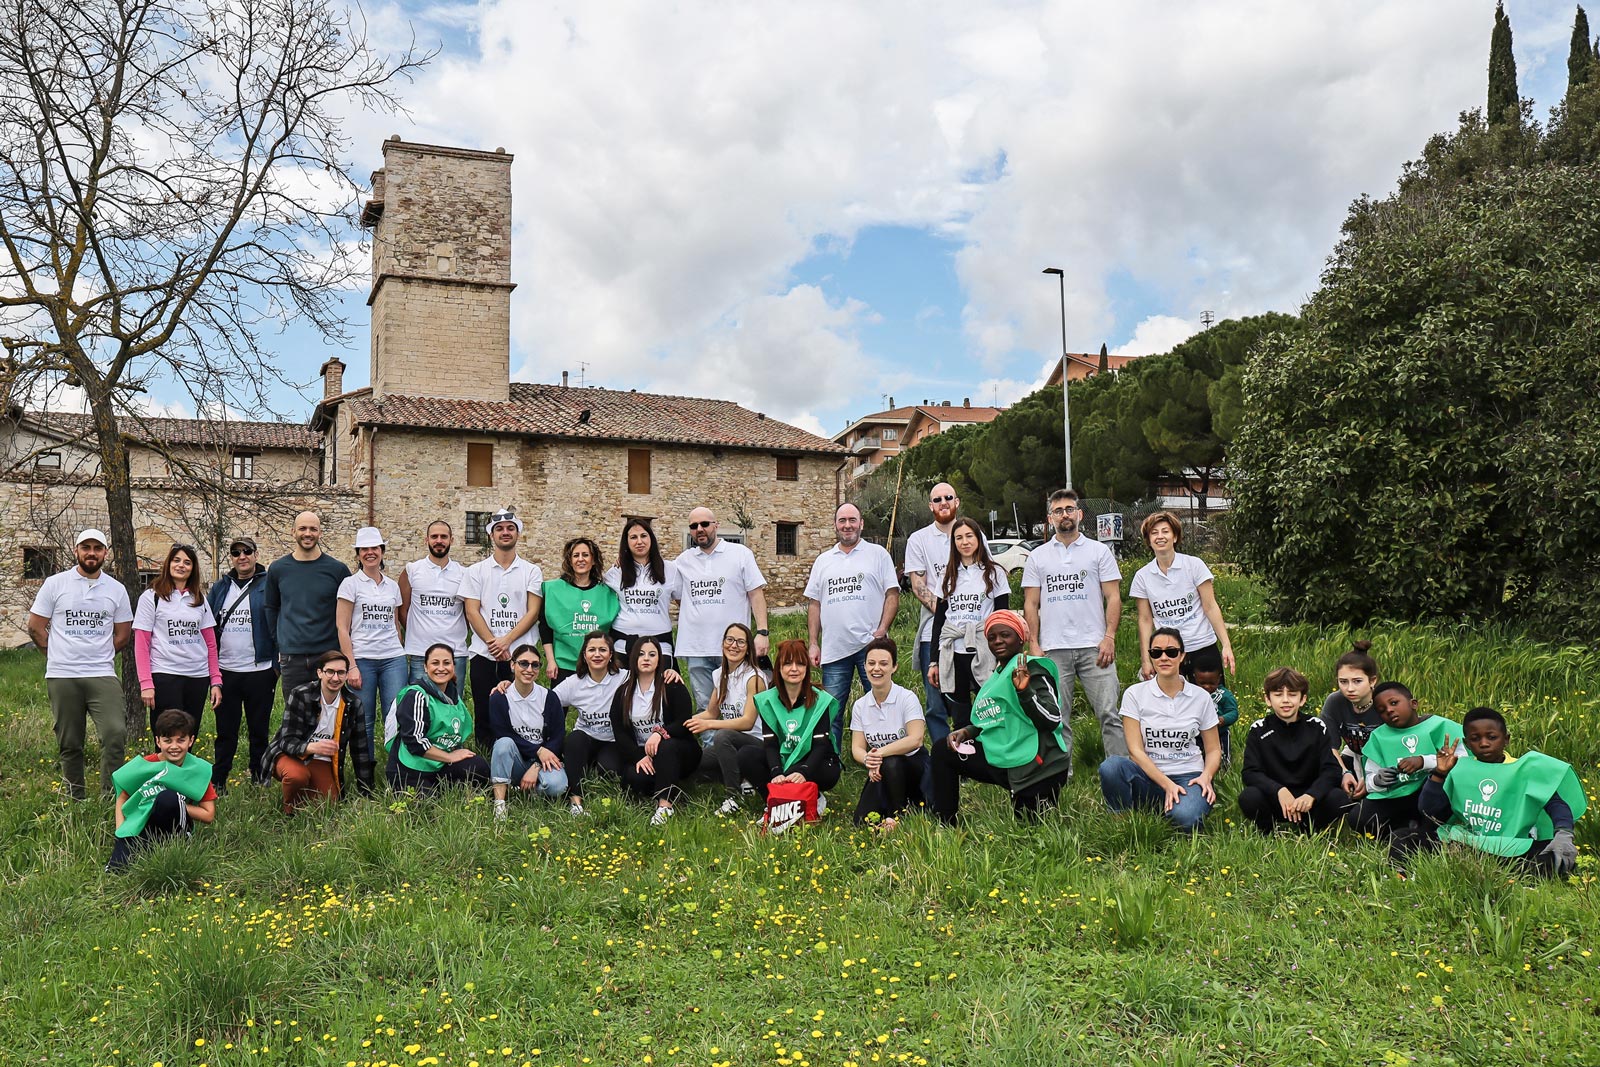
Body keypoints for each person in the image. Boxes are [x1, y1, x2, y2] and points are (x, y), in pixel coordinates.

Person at [1398, 707, 1585, 877]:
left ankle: (1489, 871)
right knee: (1403, 837)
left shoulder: (1525, 769)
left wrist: (1564, 834)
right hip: (1464, 843)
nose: (1484, 743)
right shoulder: (1459, 768)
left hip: (1510, 846)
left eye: (1492, 737)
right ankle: (1406, 874)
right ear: (1467, 743)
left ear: (1506, 739)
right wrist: (1439, 774)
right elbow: (1429, 812)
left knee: (1555, 858)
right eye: (1475, 738)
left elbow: (1556, 804)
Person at [930, 611, 1071, 824]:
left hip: (1037, 766)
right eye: (992, 637)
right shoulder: (996, 676)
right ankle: (945, 824)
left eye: (1005, 635)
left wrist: (1025, 692)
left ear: (1021, 637)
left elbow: (1051, 719)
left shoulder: (1031, 669)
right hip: (1004, 756)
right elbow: (993, 716)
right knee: (943, 750)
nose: (998, 641)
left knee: (1031, 833)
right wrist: (968, 731)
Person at [28, 529, 134, 799]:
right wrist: (55, 655)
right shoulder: (55, 583)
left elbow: (123, 634)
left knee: (115, 733)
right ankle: (75, 797)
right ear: (76, 550)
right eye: (85, 547)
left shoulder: (116, 589)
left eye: (97, 548)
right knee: (70, 741)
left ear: (105, 553)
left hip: (101, 673)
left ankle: (110, 797)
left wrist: (98, 654)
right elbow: (36, 627)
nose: (91, 553)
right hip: (62, 675)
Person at [1021, 488, 1124, 757]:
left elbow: (1113, 597)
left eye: (1069, 509)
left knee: (1110, 713)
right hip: (1054, 648)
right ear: (1050, 518)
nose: (1064, 515)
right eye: (1058, 511)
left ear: (1079, 514)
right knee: (1057, 717)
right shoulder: (1037, 556)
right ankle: (1061, 775)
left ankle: (1121, 770)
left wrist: (1109, 637)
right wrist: (1034, 643)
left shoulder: (1099, 552)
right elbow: (1031, 604)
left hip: (1095, 646)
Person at [1098, 627, 1220, 832]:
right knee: (1111, 767)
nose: (1164, 657)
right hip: (1148, 775)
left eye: (1171, 652)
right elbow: (1135, 751)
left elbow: (1214, 749)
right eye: (1156, 652)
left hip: (1188, 776)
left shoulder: (1201, 697)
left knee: (1186, 820)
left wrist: (1206, 776)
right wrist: (1166, 784)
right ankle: (1124, 823)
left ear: (1182, 656)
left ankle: (1170, 808)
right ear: (1150, 656)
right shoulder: (1135, 694)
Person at [804, 503, 899, 748]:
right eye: (842, 520)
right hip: (834, 650)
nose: (848, 525)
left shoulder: (878, 554)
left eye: (852, 520)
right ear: (835, 524)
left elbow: (892, 594)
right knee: (832, 710)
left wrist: (881, 630)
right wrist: (814, 643)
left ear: (861, 523)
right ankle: (831, 760)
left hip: (872, 648)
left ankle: (884, 756)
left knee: (881, 706)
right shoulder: (823, 561)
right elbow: (814, 604)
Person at [461, 508, 544, 746]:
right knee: (484, 706)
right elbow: (472, 611)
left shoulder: (531, 570)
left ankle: (521, 750)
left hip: (520, 652)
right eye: (499, 529)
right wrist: (493, 643)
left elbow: (533, 611)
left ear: (518, 534)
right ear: (491, 535)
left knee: (520, 706)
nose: (505, 533)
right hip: (483, 651)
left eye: (510, 528)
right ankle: (487, 756)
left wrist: (506, 641)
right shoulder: (475, 571)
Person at [674, 507, 769, 708]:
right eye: (693, 526)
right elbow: (673, 592)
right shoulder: (683, 561)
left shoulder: (740, 554)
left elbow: (756, 593)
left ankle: (737, 741)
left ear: (716, 525)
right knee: (704, 705)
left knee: (739, 704)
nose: (699, 529)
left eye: (704, 524)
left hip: (733, 647)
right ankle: (711, 741)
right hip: (696, 647)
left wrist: (762, 632)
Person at [262, 649, 375, 813]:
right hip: (289, 754)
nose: (335, 678)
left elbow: (360, 751)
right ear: (319, 673)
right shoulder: (301, 694)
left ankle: (305, 793)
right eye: (330, 672)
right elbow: (286, 741)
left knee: (330, 804)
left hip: (321, 760)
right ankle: (289, 811)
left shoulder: (353, 704)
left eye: (341, 673)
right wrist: (311, 747)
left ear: (346, 675)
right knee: (297, 776)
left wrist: (366, 792)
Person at [1237, 667, 1347, 834]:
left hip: (1308, 799)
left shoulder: (1317, 727)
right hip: (1276, 798)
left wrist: (1312, 795)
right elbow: (1250, 772)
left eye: (1292, 694)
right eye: (1278, 694)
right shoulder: (1258, 729)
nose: (1286, 700)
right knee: (1249, 797)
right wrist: (1278, 791)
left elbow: (1331, 770)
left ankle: (1310, 828)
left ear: (1303, 699)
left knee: (1338, 798)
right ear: (1267, 699)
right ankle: (1268, 831)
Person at [106, 709, 216, 872]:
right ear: (158, 741)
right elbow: (122, 798)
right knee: (117, 869)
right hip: (143, 823)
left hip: (176, 824)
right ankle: (147, 846)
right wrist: (120, 830)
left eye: (181, 740)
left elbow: (208, 814)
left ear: (191, 741)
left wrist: (174, 803)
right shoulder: (146, 765)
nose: (174, 746)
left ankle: (178, 843)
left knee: (167, 798)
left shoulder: (197, 769)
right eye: (167, 740)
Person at [1129, 511, 1234, 683]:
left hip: (1202, 646)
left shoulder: (1194, 565)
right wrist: (1146, 660)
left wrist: (1226, 645)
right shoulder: (1142, 576)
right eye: (1154, 533)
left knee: (1211, 704)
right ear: (1148, 540)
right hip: (1168, 652)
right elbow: (1145, 619)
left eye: (1165, 531)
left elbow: (1210, 606)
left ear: (1175, 536)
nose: (1160, 537)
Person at [207, 536, 277, 791]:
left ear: (256, 555)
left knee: (259, 729)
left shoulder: (268, 584)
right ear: (231, 558)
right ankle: (220, 780)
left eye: (247, 551)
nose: (242, 556)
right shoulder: (220, 588)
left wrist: (276, 665)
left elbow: (278, 621)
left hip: (260, 670)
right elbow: (208, 625)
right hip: (226, 671)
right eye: (236, 553)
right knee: (226, 732)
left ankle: (259, 776)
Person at [737, 638, 843, 806]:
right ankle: (774, 802)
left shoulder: (821, 700)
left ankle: (813, 797)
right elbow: (770, 743)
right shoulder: (768, 700)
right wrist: (776, 771)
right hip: (784, 758)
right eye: (787, 663)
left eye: (800, 664)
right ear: (779, 667)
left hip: (817, 761)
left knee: (807, 772)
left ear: (806, 669)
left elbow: (821, 746)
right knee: (746, 755)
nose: (794, 669)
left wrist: (804, 772)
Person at [927, 516, 1010, 730]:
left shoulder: (994, 573)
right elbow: (939, 621)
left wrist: (1004, 657)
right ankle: (964, 758)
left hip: (984, 649)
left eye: (969, 536)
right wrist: (934, 661)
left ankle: (991, 758)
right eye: (959, 538)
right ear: (953, 543)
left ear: (978, 538)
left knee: (990, 710)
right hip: (954, 651)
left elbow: (1003, 617)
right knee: (961, 716)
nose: (964, 542)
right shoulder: (947, 575)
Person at [1350, 682, 1462, 839]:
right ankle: (1405, 829)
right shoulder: (1378, 737)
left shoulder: (1440, 725)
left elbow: (1463, 760)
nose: (1389, 710)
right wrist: (1378, 780)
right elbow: (1369, 780)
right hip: (1397, 795)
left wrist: (1424, 762)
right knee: (1359, 818)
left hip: (1432, 793)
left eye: (1394, 703)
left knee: (1435, 797)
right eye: (1381, 710)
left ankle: (1428, 831)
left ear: (1413, 704)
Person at [133, 543, 221, 738]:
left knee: (188, 736)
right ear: (168, 563)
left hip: (197, 677)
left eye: (187, 562)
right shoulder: (152, 597)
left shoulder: (199, 599)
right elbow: (141, 643)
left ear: (193, 568)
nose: (181, 565)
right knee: (167, 735)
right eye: (177, 560)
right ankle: (166, 769)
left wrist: (215, 681)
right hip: (165, 675)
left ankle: (185, 770)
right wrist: (146, 683)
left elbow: (211, 644)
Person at [336, 527, 408, 769]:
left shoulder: (392, 586)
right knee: (363, 719)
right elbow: (342, 628)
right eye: (364, 549)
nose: (370, 553)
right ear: (358, 555)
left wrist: (400, 650)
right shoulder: (350, 584)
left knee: (395, 716)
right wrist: (351, 666)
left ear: (382, 552)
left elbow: (396, 624)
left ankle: (396, 768)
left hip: (392, 659)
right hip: (363, 659)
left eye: (374, 548)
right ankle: (364, 772)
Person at [609, 636, 699, 825]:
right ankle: (670, 784)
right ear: (633, 658)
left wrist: (659, 733)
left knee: (667, 748)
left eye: (652, 654)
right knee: (635, 779)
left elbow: (684, 722)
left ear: (660, 659)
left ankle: (665, 806)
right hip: (645, 753)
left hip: (679, 749)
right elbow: (620, 731)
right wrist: (638, 757)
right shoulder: (624, 692)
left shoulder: (672, 684)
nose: (646, 658)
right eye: (641, 654)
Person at [264, 511, 351, 702]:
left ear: (320, 533)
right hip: (292, 656)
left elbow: (349, 613)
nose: (308, 533)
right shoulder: (278, 569)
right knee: (295, 717)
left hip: (329, 655)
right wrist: (280, 641)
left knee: (330, 714)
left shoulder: (338, 570)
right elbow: (271, 608)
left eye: (313, 529)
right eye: (303, 528)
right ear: (293, 531)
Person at [685, 622, 769, 816]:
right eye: (730, 640)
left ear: (748, 648)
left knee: (722, 736)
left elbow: (747, 721)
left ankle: (733, 796)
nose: (734, 646)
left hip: (756, 743)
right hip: (729, 745)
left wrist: (709, 725)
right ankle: (742, 778)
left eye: (741, 642)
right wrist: (678, 726)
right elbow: (711, 713)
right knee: (695, 764)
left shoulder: (754, 677)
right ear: (723, 643)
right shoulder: (720, 674)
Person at [387, 642, 491, 795]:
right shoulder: (416, 695)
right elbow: (415, 743)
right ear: (425, 667)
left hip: (439, 764)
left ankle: (452, 789)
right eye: (435, 663)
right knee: (426, 805)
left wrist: (455, 754)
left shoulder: (454, 697)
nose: (441, 668)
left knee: (480, 767)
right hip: (411, 767)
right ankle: (400, 787)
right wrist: (449, 757)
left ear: (453, 667)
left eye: (446, 663)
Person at [904, 482, 961, 749]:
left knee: (966, 698)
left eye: (948, 497)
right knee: (936, 701)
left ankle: (970, 756)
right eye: (937, 499)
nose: (943, 502)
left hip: (972, 633)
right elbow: (918, 586)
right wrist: (949, 615)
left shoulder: (973, 534)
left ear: (957, 502)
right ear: (931, 506)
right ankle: (943, 757)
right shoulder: (919, 540)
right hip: (933, 633)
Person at [849, 637, 926, 829]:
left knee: (892, 762)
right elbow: (857, 748)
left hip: (914, 767)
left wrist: (878, 754)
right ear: (865, 666)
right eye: (871, 663)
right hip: (880, 768)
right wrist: (869, 759)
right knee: (861, 821)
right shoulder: (860, 706)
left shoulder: (907, 698)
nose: (877, 669)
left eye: (884, 664)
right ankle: (888, 816)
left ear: (894, 667)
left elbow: (916, 739)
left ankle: (897, 816)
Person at [488, 644, 568, 819]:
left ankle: (528, 792)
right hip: (515, 759)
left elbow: (558, 735)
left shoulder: (549, 697)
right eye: (523, 663)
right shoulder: (499, 697)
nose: (529, 669)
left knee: (558, 786)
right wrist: (538, 750)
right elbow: (502, 733)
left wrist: (537, 764)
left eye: (535, 665)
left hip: (541, 761)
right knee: (502, 744)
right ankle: (500, 805)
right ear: (512, 665)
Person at [555, 631, 630, 816]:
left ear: (611, 655)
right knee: (574, 738)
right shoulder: (574, 683)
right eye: (592, 650)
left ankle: (592, 766)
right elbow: (545, 701)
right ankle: (575, 802)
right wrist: (508, 686)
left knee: (609, 770)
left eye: (603, 650)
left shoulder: (624, 678)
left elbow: (650, 680)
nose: (597, 654)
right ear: (584, 655)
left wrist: (668, 673)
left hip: (612, 741)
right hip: (584, 739)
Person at [398, 519, 469, 686]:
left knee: (451, 708)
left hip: (455, 653)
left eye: (443, 537)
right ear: (426, 540)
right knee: (418, 706)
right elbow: (403, 610)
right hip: (420, 652)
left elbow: (468, 613)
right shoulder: (412, 570)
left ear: (451, 540)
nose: (439, 541)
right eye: (434, 536)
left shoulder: (464, 573)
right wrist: (418, 631)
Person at [540, 536, 619, 684]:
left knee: (596, 707)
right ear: (569, 561)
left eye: (585, 555)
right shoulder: (553, 590)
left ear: (593, 560)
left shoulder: (608, 592)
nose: (580, 559)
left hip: (597, 664)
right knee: (558, 707)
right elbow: (545, 628)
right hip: (563, 663)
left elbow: (612, 632)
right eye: (576, 555)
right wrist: (551, 660)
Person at [604, 518, 678, 664]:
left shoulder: (671, 570)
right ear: (627, 542)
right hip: (622, 645)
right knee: (622, 687)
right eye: (633, 537)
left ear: (651, 538)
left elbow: (684, 605)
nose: (639, 541)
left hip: (660, 646)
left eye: (643, 536)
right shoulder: (615, 572)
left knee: (660, 687)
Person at [1320, 640, 1385, 804]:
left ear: (1372, 681)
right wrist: (1344, 772)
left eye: (1357, 681)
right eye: (1343, 682)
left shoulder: (1386, 701)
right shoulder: (1335, 701)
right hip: (1354, 755)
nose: (1349, 688)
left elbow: (1397, 747)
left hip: (1384, 764)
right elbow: (1329, 746)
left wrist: (1371, 778)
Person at [1191, 664, 1239, 768]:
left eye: (1212, 683)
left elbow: (1233, 712)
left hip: (1220, 733)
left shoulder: (1224, 695)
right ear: (1195, 678)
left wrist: (1223, 719)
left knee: (1223, 754)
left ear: (1219, 678)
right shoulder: (1193, 694)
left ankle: (1225, 769)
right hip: (1198, 734)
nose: (1207, 686)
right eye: (1202, 683)